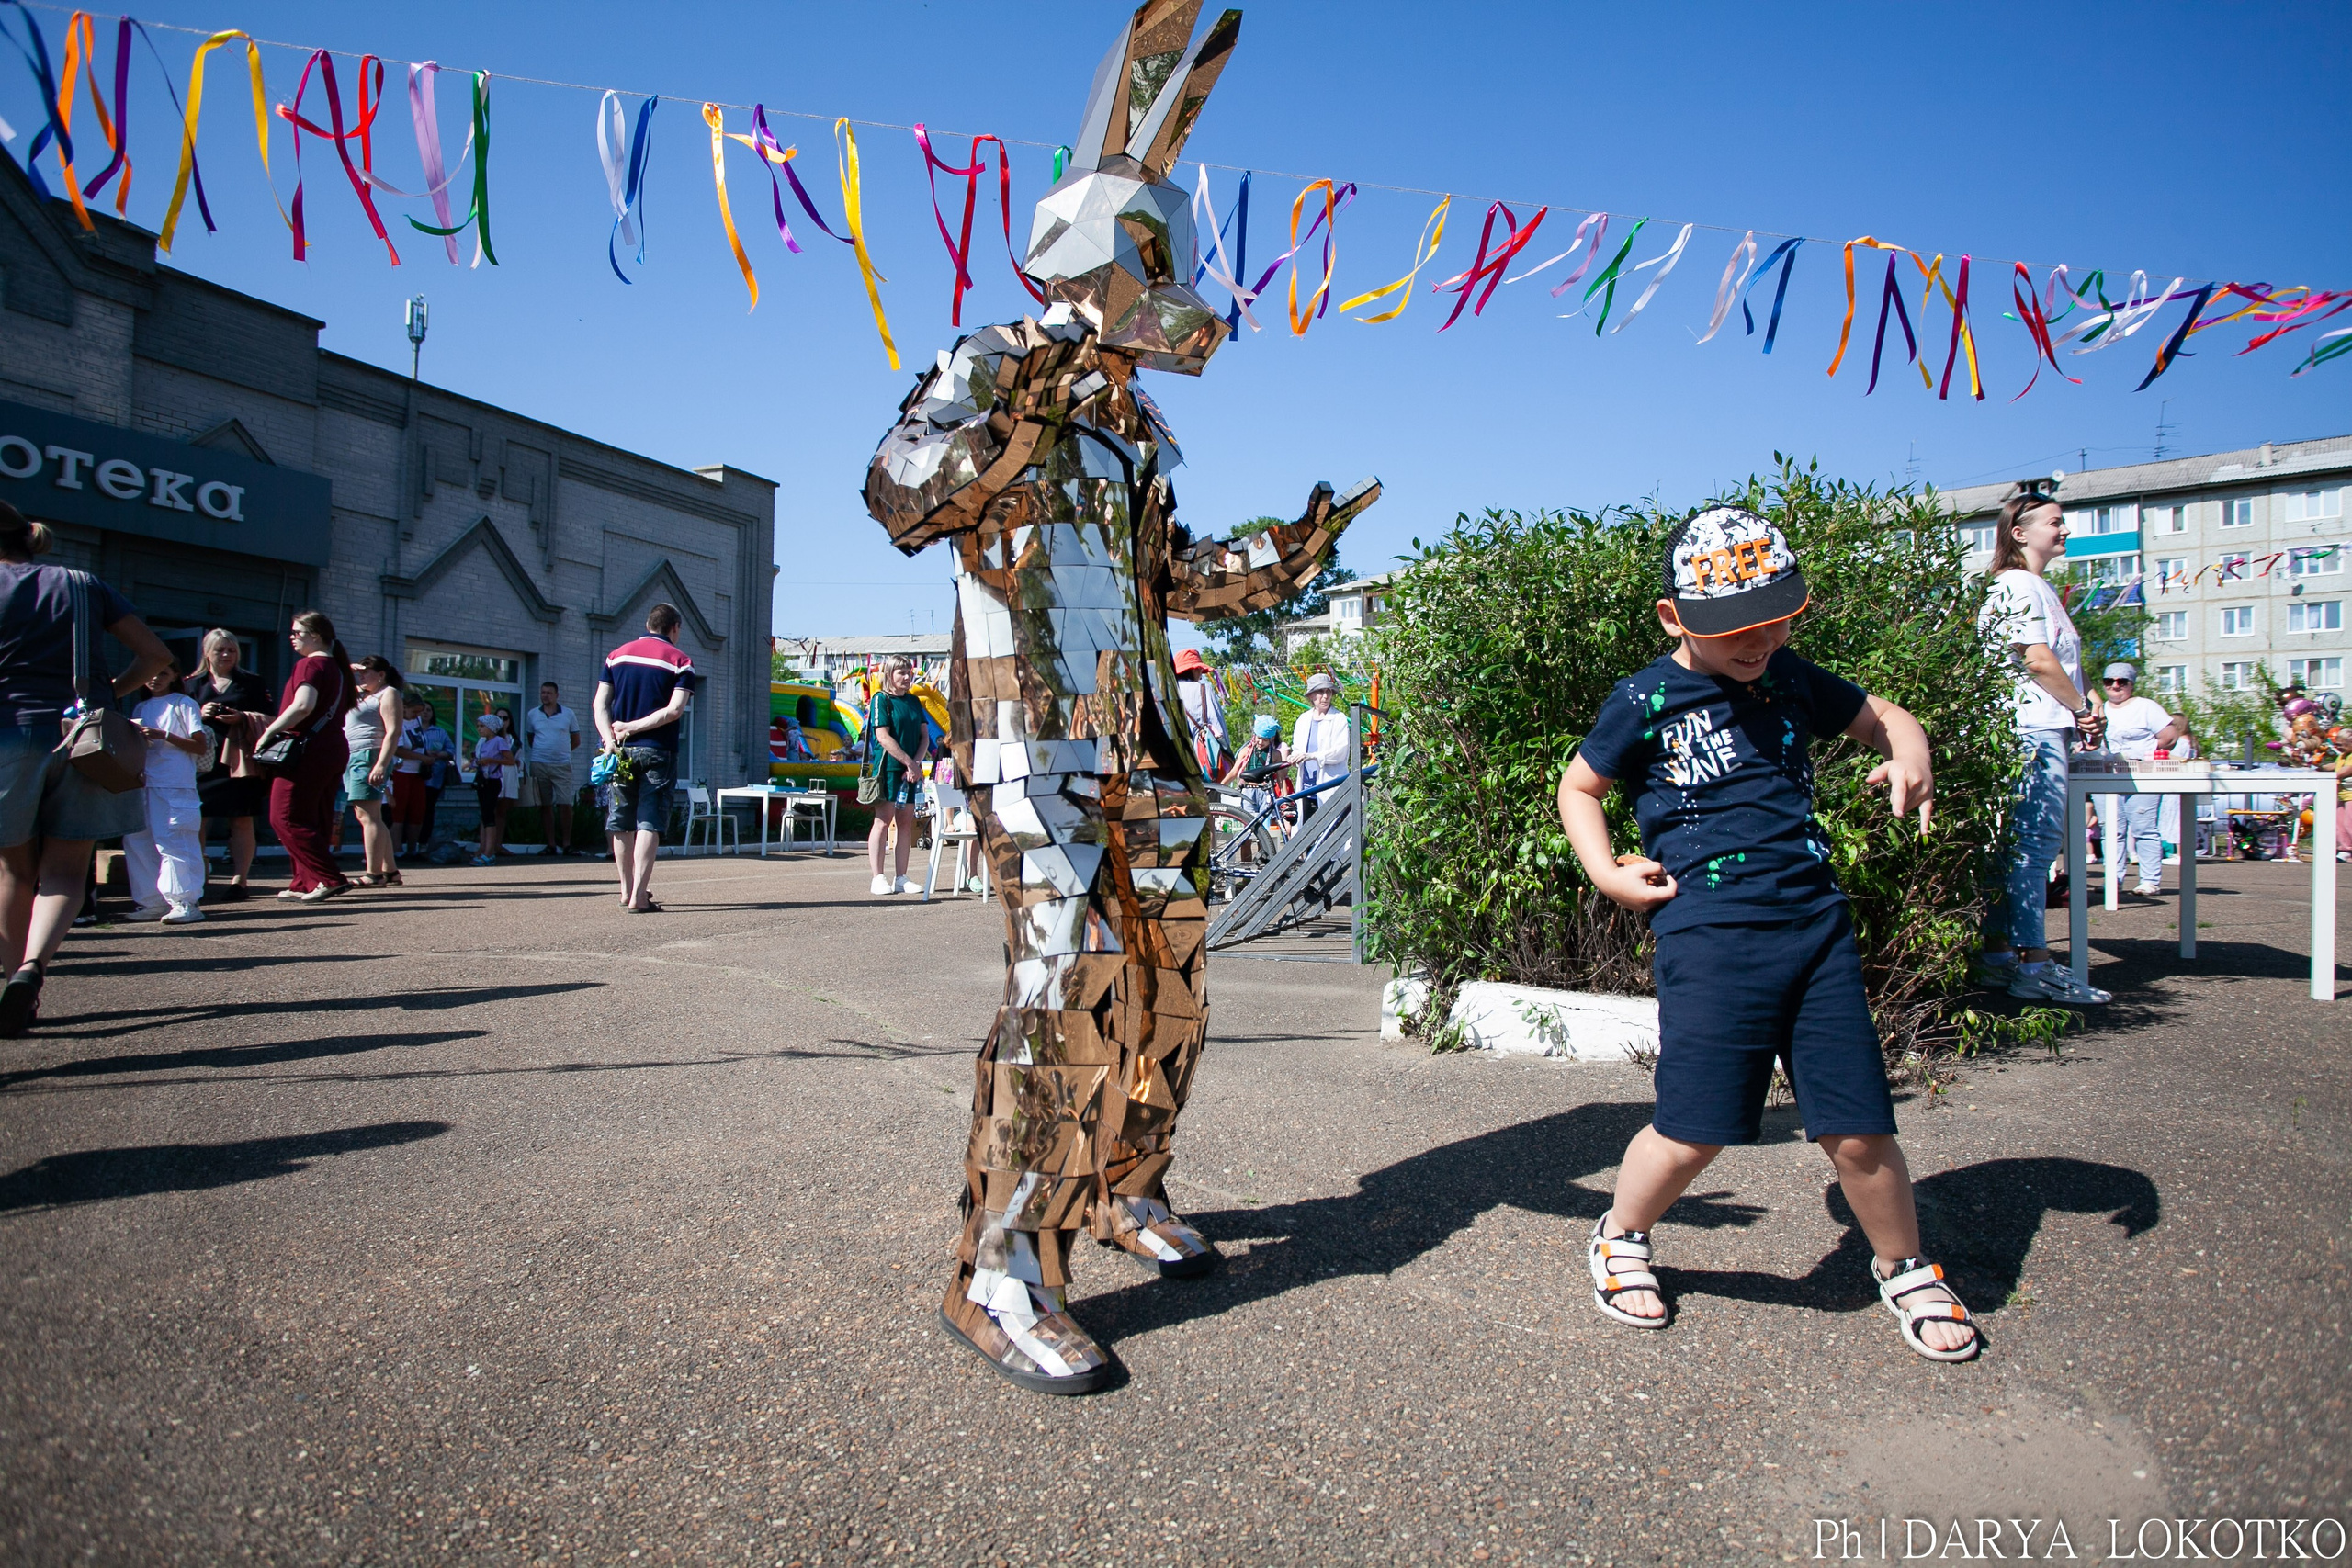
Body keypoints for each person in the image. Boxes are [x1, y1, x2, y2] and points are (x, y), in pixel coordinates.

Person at [1557, 505, 1976, 1363]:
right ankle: (1621, 1234)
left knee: (1858, 1127)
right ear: (1676, 617)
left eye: (1775, 619)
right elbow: (1580, 787)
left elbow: (1885, 715)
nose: (1758, 641)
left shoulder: (1791, 675)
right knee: (1692, 1129)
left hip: (1815, 923)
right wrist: (1605, 871)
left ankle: (1905, 1264)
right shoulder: (1647, 697)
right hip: (1710, 934)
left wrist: (1911, 748)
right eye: (1733, 628)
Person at [0, 501, 174, 1033]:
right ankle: (33, 970)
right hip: (85, 739)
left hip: (6, 733)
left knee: (11, 870)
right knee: (67, 870)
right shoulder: (80, 583)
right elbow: (155, 656)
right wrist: (106, 696)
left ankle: (13, 986)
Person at [1970, 487, 2110, 1005]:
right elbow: (2035, 658)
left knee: (2014, 850)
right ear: (2020, 532)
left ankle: (1999, 955)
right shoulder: (2018, 585)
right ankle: (2035, 965)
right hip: (2031, 729)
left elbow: (2062, 663)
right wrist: (2078, 707)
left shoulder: (2035, 586)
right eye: (2056, 522)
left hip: (2040, 725)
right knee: (2032, 851)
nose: (2065, 529)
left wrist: (2087, 703)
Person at [594, 602, 695, 913]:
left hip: (620, 750)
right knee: (649, 820)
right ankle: (640, 894)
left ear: (649, 624)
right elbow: (674, 711)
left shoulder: (616, 655)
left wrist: (612, 739)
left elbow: (600, 705)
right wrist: (634, 727)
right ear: (674, 628)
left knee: (621, 820)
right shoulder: (681, 661)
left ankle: (625, 890)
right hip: (658, 750)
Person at [252, 610, 356, 904]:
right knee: (313, 817)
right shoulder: (336, 667)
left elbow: (303, 705)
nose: (292, 638)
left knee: (284, 816)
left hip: (307, 749)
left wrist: (269, 731)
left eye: (298, 632)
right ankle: (305, 881)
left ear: (317, 635)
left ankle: (327, 877)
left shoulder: (309, 665)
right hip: (332, 747)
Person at [187, 629, 271, 902]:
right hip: (202, 762)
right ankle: (198, 877)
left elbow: (272, 718)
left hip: (239, 761)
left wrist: (243, 718)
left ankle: (240, 880)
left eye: (231, 650)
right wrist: (200, 714)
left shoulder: (252, 683)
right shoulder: (191, 685)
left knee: (242, 819)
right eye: (220, 650)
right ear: (207, 653)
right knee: (198, 820)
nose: (225, 655)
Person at [124, 663, 209, 924]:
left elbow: (199, 745)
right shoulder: (141, 708)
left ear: (174, 675)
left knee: (174, 840)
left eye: (162, 673)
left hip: (175, 783)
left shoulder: (184, 704)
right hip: (147, 782)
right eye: (151, 673)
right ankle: (152, 901)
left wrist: (165, 735)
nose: (154, 679)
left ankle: (185, 901)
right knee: (138, 840)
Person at [2093, 661, 2186, 897]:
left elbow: (2169, 735)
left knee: (2144, 827)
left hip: (2142, 775)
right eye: (2109, 681)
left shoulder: (2146, 707)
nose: (2115, 686)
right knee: (2111, 830)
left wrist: (2146, 753)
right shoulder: (2100, 708)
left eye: (2121, 681)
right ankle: (2113, 879)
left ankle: (2150, 880)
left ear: (2131, 684)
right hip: (2107, 776)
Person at [862, 656, 933, 896]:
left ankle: (901, 877)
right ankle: (878, 877)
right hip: (889, 768)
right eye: (901, 672)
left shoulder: (914, 701)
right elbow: (883, 736)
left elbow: (925, 736)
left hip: (910, 771)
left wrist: (916, 764)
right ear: (890, 674)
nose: (907, 677)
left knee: (905, 821)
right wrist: (908, 763)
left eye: (909, 672)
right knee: (883, 820)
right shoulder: (881, 699)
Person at [344, 656, 406, 887]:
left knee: (367, 815)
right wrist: (348, 668)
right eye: (359, 672)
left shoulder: (388, 693)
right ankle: (390, 871)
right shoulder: (361, 693)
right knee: (371, 816)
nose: (361, 675)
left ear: (381, 674)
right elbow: (338, 684)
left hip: (369, 754)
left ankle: (373, 874)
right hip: (354, 755)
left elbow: (393, 732)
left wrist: (381, 764)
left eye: (366, 671)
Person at [525, 680, 582, 856]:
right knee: (545, 805)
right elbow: (531, 739)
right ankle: (550, 844)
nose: (545, 696)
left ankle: (566, 844)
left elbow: (576, 740)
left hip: (562, 765)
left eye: (549, 693)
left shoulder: (568, 714)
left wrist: (561, 752)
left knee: (565, 804)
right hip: (540, 764)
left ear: (557, 695)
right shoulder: (533, 714)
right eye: (543, 692)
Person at [1288, 671, 1350, 817]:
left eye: (1328, 692)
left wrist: (1312, 756)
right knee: (1308, 832)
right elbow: (1297, 749)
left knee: (1332, 831)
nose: (1325, 697)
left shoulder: (1338, 718)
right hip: (1307, 790)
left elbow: (1340, 752)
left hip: (1330, 786)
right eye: (1320, 692)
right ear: (1311, 696)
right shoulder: (1303, 720)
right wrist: (1294, 758)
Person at [469, 712, 516, 868]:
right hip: (483, 780)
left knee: (489, 816)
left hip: (493, 781)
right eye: (478, 726)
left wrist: (491, 760)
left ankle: (489, 852)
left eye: (482, 726)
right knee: (484, 815)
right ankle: (483, 849)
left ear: (492, 727)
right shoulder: (482, 742)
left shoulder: (499, 741)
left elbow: (510, 760)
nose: (479, 729)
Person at [1172, 648, 1227, 777]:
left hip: (1174, 765)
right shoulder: (1204, 689)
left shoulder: (1166, 692)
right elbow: (1220, 731)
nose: (1201, 675)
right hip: (1202, 767)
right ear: (1193, 669)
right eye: (1200, 670)